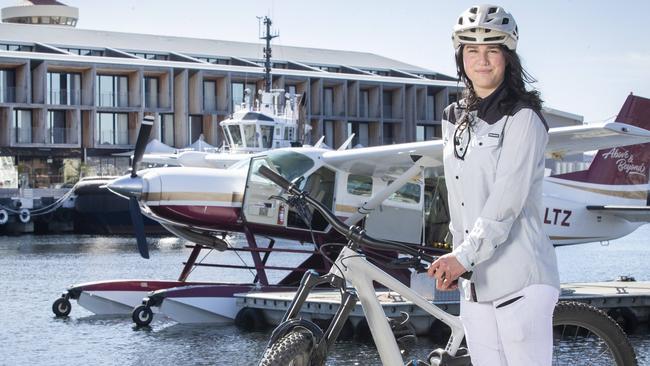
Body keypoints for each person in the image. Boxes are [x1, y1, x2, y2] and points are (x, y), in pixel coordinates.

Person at [427, 5, 560, 366]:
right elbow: (459, 198)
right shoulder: (453, 119)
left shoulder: (524, 118)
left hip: (521, 280)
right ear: (461, 57)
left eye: (492, 50)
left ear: (508, 57)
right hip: (476, 285)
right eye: (472, 50)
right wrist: (456, 261)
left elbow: (505, 203)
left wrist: (462, 257)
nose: (481, 60)